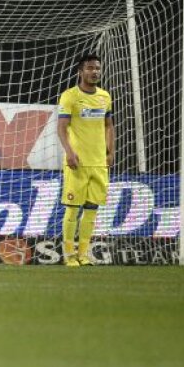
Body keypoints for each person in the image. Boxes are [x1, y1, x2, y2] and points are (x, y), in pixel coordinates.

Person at [56, 53, 114, 267]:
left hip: (98, 163)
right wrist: (69, 152)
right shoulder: (70, 96)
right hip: (77, 162)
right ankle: (69, 255)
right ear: (80, 71)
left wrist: (110, 152)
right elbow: (61, 128)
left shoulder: (105, 96)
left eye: (97, 68)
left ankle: (83, 254)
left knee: (92, 209)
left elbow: (108, 125)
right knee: (72, 208)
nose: (95, 72)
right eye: (90, 68)